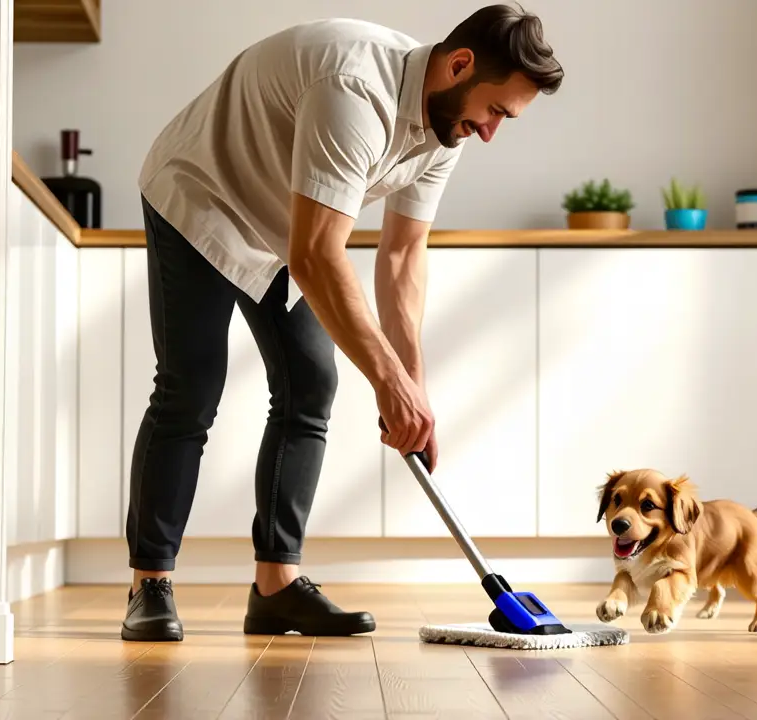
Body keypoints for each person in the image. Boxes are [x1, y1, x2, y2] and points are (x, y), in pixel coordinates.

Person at [119, 4, 563, 642]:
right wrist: (387, 380)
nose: (492, 131)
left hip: (283, 224)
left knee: (310, 385)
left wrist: (412, 386)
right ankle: (149, 586)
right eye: (496, 111)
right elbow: (318, 253)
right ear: (459, 65)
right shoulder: (357, 88)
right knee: (192, 385)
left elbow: (403, 255)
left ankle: (275, 586)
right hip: (201, 196)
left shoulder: (447, 126)